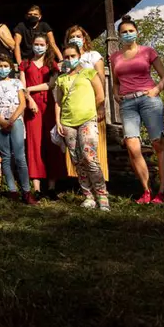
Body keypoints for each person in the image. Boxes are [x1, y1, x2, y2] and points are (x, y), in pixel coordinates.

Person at [111, 15, 164, 204]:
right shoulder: (115, 57)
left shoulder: (148, 51)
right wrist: (115, 94)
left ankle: (162, 191)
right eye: (124, 32)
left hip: (148, 99)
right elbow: (115, 82)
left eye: (131, 31)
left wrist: (156, 90)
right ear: (119, 35)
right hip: (127, 103)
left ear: (136, 33)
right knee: (132, 146)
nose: (128, 34)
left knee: (158, 143)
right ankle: (146, 190)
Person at [53, 44, 109, 211]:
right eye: (67, 57)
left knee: (90, 157)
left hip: (87, 119)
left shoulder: (89, 73)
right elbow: (58, 102)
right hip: (68, 123)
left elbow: (100, 95)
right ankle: (88, 196)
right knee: (77, 160)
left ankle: (102, 195)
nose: (70, 59)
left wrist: (99, 110)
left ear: (79, 56)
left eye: (73, 56)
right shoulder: (61, 78)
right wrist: (58, 122)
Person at [0, 54, 36, 205]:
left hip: (16, 120)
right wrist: (1, 121)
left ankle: (27, 191)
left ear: (10, 67)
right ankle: (12, 190)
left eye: (5, 66)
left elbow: (22, 103)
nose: (3, 69)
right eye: (0, 66)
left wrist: (12, 120)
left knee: (20, 156)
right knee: (6, 157)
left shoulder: (17, 83)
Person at [19, 34, 63, 194]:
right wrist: (29, 99)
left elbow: (51, 84)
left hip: (49, 107)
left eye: (41, 44)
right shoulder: (25, 64)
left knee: (51, 143)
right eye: (36, 44)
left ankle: (52, 186)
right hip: (31, 108)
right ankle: (36, 187)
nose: (38, 47)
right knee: (34, 144)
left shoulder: (52, 64)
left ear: (46, 46)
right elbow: (22, 86)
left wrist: (30, 89)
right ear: (32, 45)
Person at [65, 25, 110, 182]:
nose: (75, 39)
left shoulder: (93, 55)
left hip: (93, 105)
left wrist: (102, 105)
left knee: (92, 148)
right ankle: (81, 183)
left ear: (84, 39)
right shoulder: (69, 58)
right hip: (74, 108)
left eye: (78, 36)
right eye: (72, 36)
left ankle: (100, 182)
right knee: (76, 149)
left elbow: (102, 79)